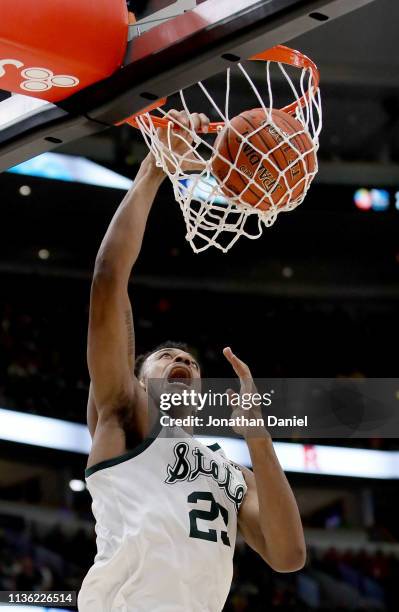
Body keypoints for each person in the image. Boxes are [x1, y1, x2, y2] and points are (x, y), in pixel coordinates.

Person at [78, 111, 306, 612]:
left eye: (190, 362)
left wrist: (258, 440)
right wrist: (155, 167)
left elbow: (288, 556)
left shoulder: (230, 472)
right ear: (136, 381)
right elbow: (108, 278)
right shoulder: (124, 415)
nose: (182, 358)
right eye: (163, 357)